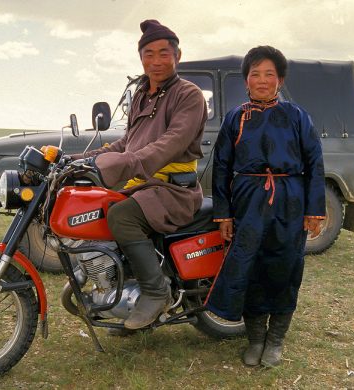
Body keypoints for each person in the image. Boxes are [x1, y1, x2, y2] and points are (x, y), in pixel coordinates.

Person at [79, 20, 208, 330]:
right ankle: (120, 295)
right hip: (146, 187)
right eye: (149, 54)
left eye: (164, 53)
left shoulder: (188, 95)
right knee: (98, 209)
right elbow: (127, 142)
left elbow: (170, 143)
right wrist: (80, 159)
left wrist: (126, 163)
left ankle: (156, 292)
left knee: (122, 216)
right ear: (141, 58)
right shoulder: (142, 95)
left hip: (175, 191)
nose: (156, 61)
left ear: (178, 55)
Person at [205, 46, 325, 367]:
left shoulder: (298, 116)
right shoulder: (235, 117)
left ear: (280, 79)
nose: (262, 80)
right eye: (255, 74)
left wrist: (315, 209)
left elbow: (314, 162)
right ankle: (256, 339)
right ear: (246, 81)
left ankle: (276, 341)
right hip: (247, 200)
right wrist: (224, 213)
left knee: (285, 267)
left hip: (290, 200)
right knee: (251, 266)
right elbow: (221, 166)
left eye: (269, 74)